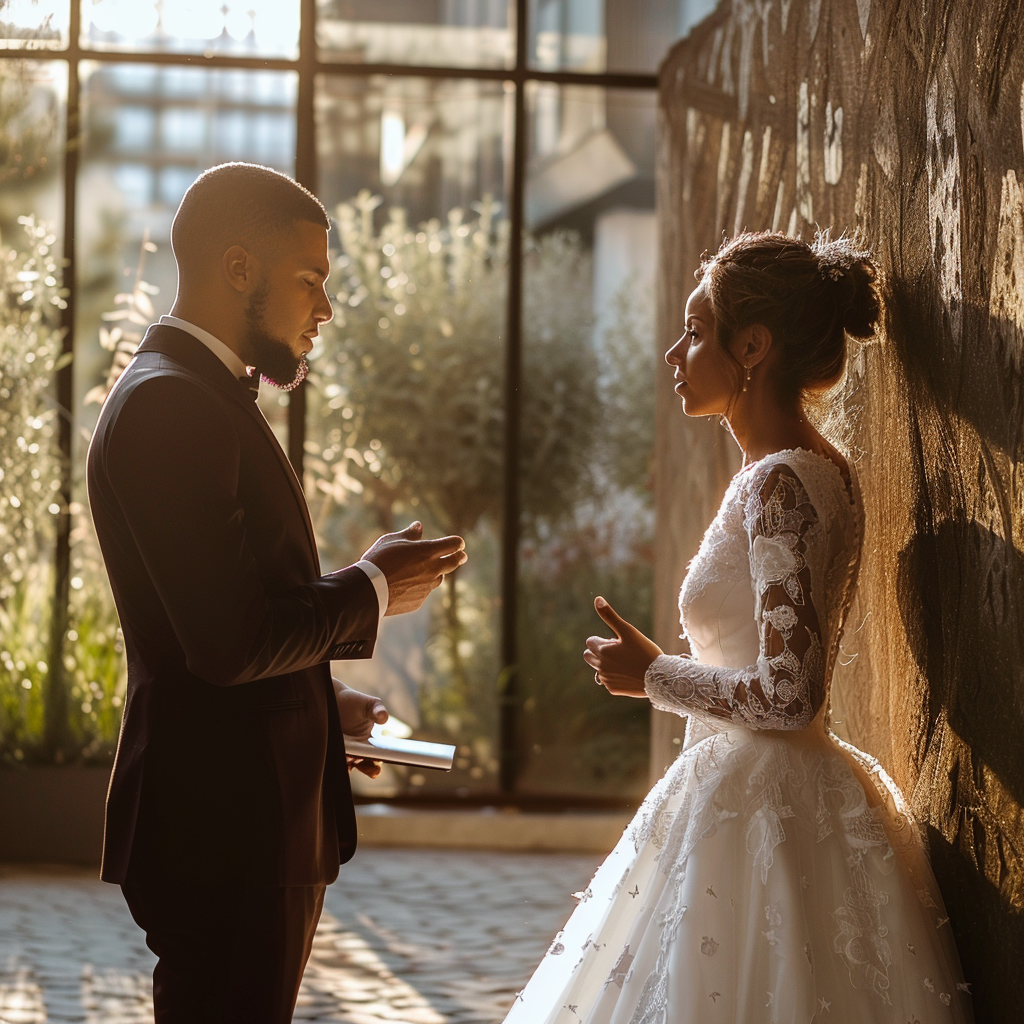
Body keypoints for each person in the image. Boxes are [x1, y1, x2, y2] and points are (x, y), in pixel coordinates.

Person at [501, 231, 973, 1023]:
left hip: (760, 803)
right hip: (768, 794)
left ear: (752, 346)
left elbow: (790, 697)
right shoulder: (806, 469)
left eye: (695, 330)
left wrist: (653, 675)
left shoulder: (781, 483)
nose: (673, 352)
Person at [86, 162, 467, 1024]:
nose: (325, 309)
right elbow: (229, 642)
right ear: (237, 269)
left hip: (237, 827)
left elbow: (219, 626)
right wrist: (372, 588)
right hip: (225, 834)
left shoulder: (194, 396)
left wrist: (320, 700)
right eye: (311, 281)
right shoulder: (171, 407)